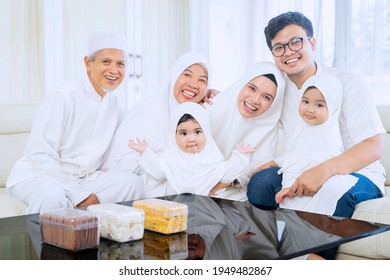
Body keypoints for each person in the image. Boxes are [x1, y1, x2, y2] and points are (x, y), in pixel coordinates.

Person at [247, 11, 386, 218]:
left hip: (358, 173)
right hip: (301, 167)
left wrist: (323, 171)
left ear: (312, 44)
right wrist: (209, 97)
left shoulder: (348, 83)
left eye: (296, 42)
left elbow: (373, 148)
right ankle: (281, 248)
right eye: (279, 47)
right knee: (261, 184)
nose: (288, 52)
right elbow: (245, 99)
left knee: (334, 193)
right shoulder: (279, 90)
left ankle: (310, 251)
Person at [6, 31, 144, 214]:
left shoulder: (114, 104)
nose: (114, 70)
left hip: (83, 178)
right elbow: (39, 155)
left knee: (131, 183)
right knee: (51, 197)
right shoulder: (63, 96)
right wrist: (79, 195)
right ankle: (46, 242)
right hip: (39, 175)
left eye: (121, 64)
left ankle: (110, 239)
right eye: (106, 62)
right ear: (88, 63)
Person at [101, 52, 212, 175]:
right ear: (174, 75)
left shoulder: (198, 114)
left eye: (202, 80)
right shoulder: (150, 110)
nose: (193, 84)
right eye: (187, 74)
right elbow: (125, 165)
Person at [272, 74, 359, 215]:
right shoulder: (301, 128)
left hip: (312, 186)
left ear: (332, 106)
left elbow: (317, 168)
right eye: (305, 102)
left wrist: (291, 189)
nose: (310, 109)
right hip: (294, 186)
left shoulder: (329, 134)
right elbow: (293, 156)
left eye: (319, 105)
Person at [128, 102, 255, 197]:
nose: (191, 139)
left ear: (206, 132)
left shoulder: (211, 157)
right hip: (177, 206)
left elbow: (227, 175)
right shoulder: (170, 156)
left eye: (197, 132)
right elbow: (158, 172)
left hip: (205, 206)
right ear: (174, 135)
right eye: (184, 133)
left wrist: (239, 156)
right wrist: (146, 154)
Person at [205, 61, 285, 195]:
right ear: (241, 84)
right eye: (252, 88)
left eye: (266, 97)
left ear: (274, 103)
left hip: (237, 194)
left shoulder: (268, 127)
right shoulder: (212, 109)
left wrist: (227, 181)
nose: (255, 100)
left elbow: (254, 172)